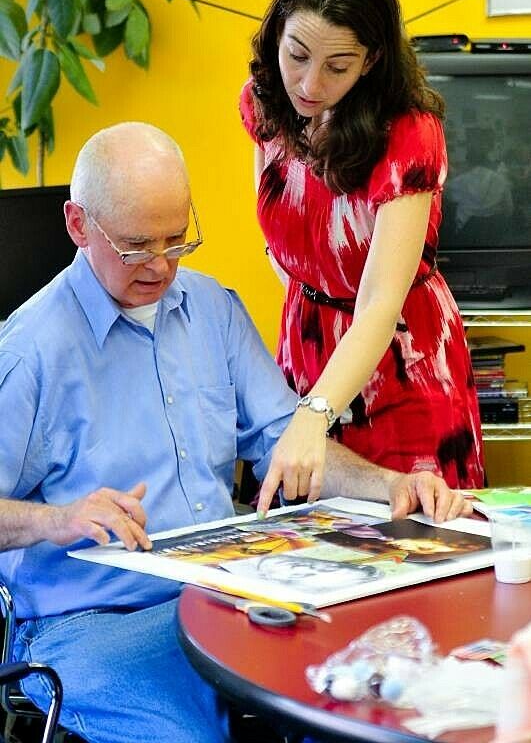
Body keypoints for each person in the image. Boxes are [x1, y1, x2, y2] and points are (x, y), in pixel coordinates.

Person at [0, 122, 470, 743]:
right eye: (138, 247)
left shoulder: (212, 310)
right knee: (192, 736)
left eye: (178, 240)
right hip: (91, 621)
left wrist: (393, 488)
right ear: (78, 225)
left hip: (219, 596)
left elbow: (288, 441)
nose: (163, 266)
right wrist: (59, 519)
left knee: (350, 706)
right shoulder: (30, 350)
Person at [240, 0, 485, 516]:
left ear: (372, 60)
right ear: (277, 33)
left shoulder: (408, 134)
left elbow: (378, 301)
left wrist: (313, 414)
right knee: (310, 552)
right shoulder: (266, 102)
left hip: (401, 360)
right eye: (296, 55)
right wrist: (309, 372)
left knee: (416, 541)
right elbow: (278, 233)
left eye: (338, 66)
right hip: (308, 345)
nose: (308, 82)